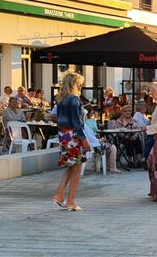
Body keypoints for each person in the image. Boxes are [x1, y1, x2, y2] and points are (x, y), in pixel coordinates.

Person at [52, 72, 91, 211]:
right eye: (80, 83)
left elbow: (56, 118)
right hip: (74, 135)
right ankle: (70, 201)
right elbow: (77, 122)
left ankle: (59, 194)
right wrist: (85, 140)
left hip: (63, 135)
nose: (81, 85)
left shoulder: (61, 99)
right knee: (77, 168)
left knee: (72, 166)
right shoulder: (74, 99)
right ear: (74, 83)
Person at [83, 105, 119, 174]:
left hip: (90, 144)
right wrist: (100, 141)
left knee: (109, 145)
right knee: (113, 147)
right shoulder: (86, 125)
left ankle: (109, 166)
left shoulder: (83, 125)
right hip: (93, 146)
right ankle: (112, 168)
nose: (93, 113)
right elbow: (91, 138)